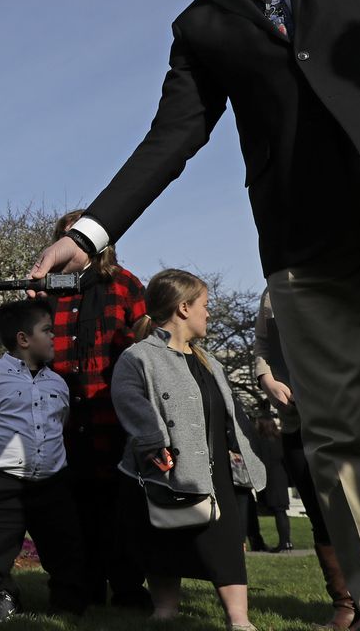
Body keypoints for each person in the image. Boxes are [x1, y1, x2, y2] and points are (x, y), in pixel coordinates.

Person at [28, 0, 360, 630]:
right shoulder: (201, 26)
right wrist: (91, 233)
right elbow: (172, 137)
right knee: (344, 439)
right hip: (304, 233)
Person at [111, 269, 266, 631]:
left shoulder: (208, 360)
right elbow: (130, 402)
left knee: (226, 545)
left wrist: (239, 447)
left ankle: (239, 621)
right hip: (162, 473)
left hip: (215, 474)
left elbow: (228, 411)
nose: (208, 313)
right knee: (163, 543)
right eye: (204, 305)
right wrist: (153, 443)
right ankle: (164, 613)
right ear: (183, 308)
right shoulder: (139, 357)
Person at [254, 285, 360, 629]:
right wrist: (267, 379)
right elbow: (262, 343)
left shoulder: (343, 265)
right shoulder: (271, 288)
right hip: (299, 418)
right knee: (321, 514)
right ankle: (346, 604)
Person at [46, 210, 150, 608]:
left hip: (112, 414)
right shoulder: (51, 287)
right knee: (73, 512)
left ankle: (126, 588)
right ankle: (81, 588)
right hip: (63, 421)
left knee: (119, 509)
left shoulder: (125, 285)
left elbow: (140, 350)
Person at [0, 298, 87, 622]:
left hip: (52, 482)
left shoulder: (58, 383)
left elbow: (62, 423)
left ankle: (66, 603)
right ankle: (1, 597)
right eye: (48, 330)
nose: (54, 337)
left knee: (64, 546)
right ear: (23, 339)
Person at [251, 417, 291, 553]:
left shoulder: (261, 441)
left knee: (279, 511)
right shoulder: (279, 439)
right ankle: (287, 541)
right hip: (281, 476)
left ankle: (284, 543)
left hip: (270, 478)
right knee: (282, 510)